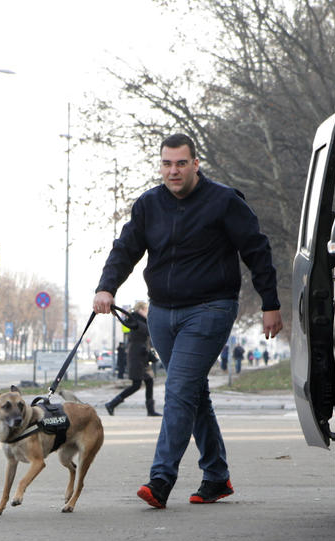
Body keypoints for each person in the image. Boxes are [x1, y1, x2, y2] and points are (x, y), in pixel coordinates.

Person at [93, 133, 282, 509]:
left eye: (181, 163)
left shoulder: (224, 201)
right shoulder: (148, 205)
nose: (173, 170)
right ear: (160, 165)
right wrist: (106, 287)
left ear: (196, 164)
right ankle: (216, 476)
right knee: (194, 394)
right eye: (167, 163)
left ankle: (161, 478)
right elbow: (126, 248)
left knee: (179, 388)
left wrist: (270, 303)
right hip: (163, 312)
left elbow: (256, 250)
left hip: (211, 308)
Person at [104, 302, 160, 417]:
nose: (148, 312)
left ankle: (150, 410)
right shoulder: (135, 321)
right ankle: (112, 403)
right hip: (136, 356)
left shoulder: (140, 320)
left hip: (141, 356)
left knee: (149, 381)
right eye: (146, 310)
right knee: (136, 384)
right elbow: (147, 332)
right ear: (140, 309)